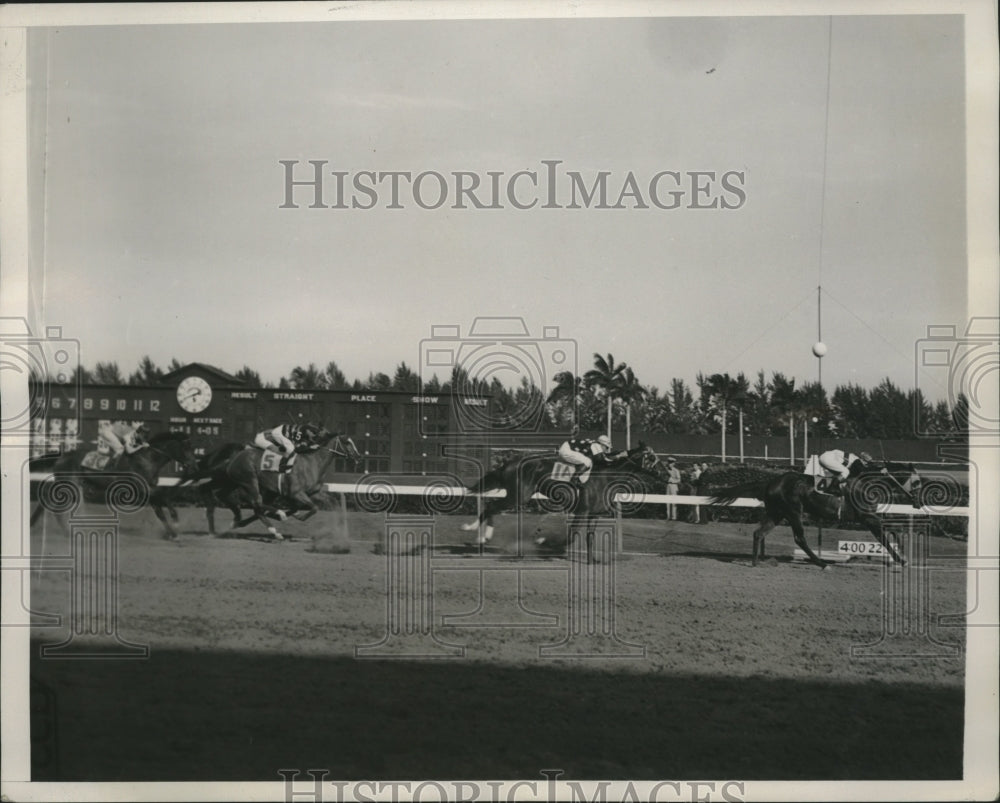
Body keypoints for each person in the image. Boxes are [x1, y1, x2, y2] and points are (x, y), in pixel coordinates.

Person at [556, 434, 624, 485]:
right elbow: (602, 459)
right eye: (607, 447)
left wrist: (616, 455)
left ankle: (579, 480)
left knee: (589, 463)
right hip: (567, 449)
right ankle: (574, 479)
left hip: (567, 448)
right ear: (602, 444)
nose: (607, 450)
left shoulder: (595, 445)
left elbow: (604, 457)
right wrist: (617, 457)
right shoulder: (596, 445)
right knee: (587, 461)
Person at [664, 456, 682, 520]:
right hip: (668, 486)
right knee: (667, 501)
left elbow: (679, 480)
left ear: (674, 463)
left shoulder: (676, 471)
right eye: (669, 463)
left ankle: (674, 517)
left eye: (671, 463)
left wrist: (673, 481)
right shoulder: (666, 470)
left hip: (674, 486)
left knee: (674, 502)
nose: (670, 464)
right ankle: (668, 516)